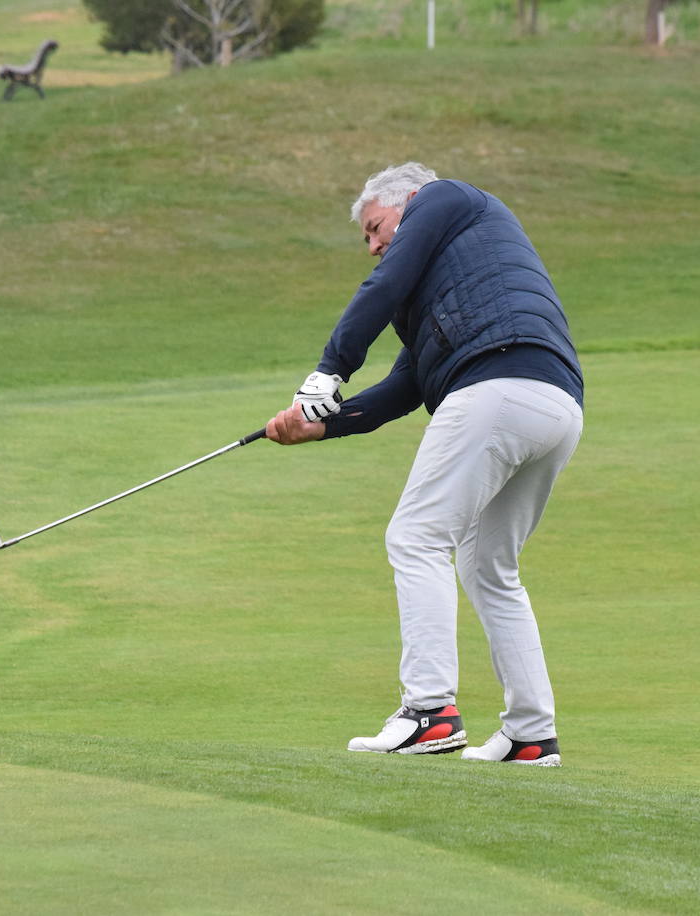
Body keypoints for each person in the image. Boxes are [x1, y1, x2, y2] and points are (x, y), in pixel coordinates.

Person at [266, 162, 585, 767]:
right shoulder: (447, 285)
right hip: (554, 406)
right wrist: (321, 424)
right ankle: (530, 732)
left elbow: (383, 285)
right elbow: (405, 386)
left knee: (415, 538)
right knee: (487, 563)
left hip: (498, 387)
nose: (373, 245)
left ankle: (429, 712)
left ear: (406, 201)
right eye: (365, 239)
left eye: (376, 227)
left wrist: (329, 370)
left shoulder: (442, 197)